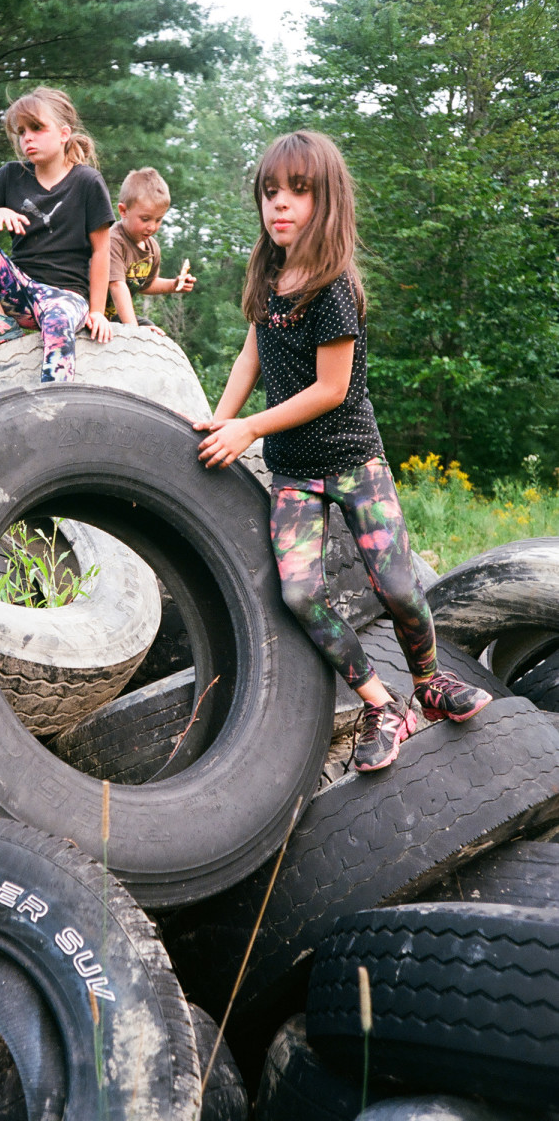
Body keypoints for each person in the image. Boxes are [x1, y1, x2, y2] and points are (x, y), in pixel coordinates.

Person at [194, 130, 491, 773]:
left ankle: (429, 682)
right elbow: (250, 357)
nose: (279, 204)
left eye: (297, 191)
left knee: (398, 585)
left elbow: (331, 390)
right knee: (300, 596)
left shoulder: (334, 287)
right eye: (270, 191)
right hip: (294, 474)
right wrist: (220, 420)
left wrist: (250, 428)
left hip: (357, 462)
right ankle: (382, 705)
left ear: (325, 200)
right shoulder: (268, 277)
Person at [0, 86, 115, 382]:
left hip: (65, 298)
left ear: (64, 133)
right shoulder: (11, 175)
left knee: (57, 321)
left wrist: (97, 311)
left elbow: (101, 251)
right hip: (19, 291)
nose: (27, 137)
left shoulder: (87, 181)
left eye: (36, 128)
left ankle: (53, 399)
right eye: (21, 132)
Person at [106, 167, 196, 333]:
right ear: (123, 211)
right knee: (140, 334)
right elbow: (117, 286)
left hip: (115, 316)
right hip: (93, 311)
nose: (152, 227)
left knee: (153, 331)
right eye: (145, 219)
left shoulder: (152, 248)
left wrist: (174, 284)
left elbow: (146, 284)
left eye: (158, 220)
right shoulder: (113, 241)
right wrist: (134, 332)